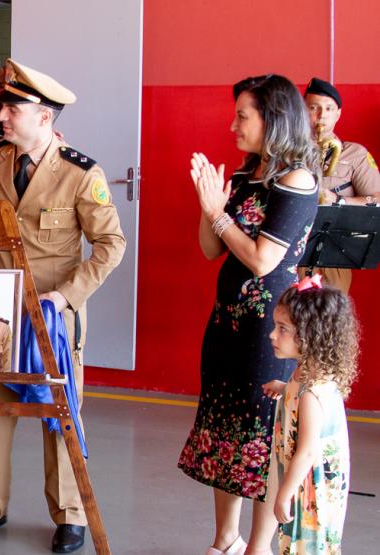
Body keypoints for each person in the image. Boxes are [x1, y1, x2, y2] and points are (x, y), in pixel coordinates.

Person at [0, 58, 126, 553]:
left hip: (53, 315)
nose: (1, 118)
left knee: (58, 414)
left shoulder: (82, 173)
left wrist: (67, 296)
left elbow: (111, 245)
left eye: (13, 109)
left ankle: (69, 514)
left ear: (44, 117)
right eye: (3, 108)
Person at [177, 74, 320, 555]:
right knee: (226, 432)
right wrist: (209, 203)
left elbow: (262, 261)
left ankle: (257, 548)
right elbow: (209, 248)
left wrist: (220, 212)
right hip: (227, 324)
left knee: (262, 439)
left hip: (270, 330)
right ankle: (225, 541)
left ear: (273, 119)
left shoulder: (295, 180)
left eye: (243, 115)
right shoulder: (245, 176)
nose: (233, 124)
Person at [261, 276, 357, 554]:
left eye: (282, 329)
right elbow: (300, 396)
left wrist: (284, 493)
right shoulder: (307, 373)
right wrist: (285, 389)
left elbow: (307, 451)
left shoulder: (313, 393)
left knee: (307, 546)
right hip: (306, 481)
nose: (272, 335)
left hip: (309, 489)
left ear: (310, 335)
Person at [297, 77, 380, 293]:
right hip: (291, 254)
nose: (321, 115)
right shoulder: (288, 153)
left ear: (338, 114)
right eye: (313, 108)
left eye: (328, 109)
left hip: (333, 258)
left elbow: (378, 197)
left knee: (331, 322)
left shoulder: (356, 154)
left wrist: (339, 200)